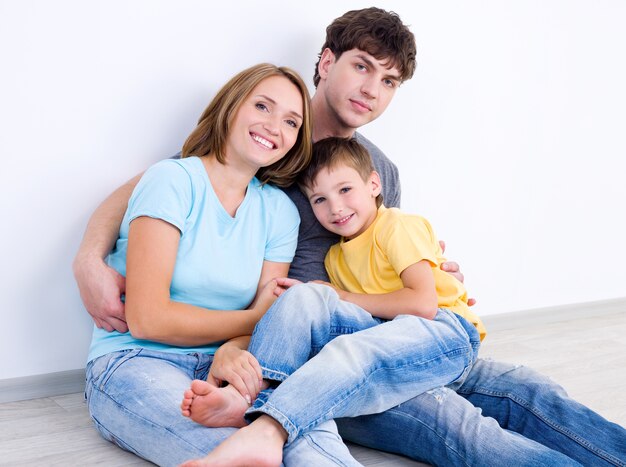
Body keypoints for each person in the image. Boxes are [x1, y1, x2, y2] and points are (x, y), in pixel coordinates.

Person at [75, 7, 626, 467]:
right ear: (326, 61)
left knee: (530, 392)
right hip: (307, 356)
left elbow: (382, 254)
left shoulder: (378, 169)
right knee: (464, 430)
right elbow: (149, 189)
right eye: (362, 67)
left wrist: (427, 274)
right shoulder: (262, 145)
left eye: (388, 82)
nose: (372, 90)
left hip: (375, 337)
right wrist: (89, 258)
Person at [82, 63, 365, 467]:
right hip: (139, 358)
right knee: (234, 458)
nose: (274, 126)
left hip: (234, 366)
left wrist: (234, 349)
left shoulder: (280, 212)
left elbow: (268, 322)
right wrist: (251, 320)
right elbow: (148, 319)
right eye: (263, 106)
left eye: (290, 121)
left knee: (314, 450)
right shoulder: (172, 180)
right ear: (231, 108)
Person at [179, 135, 488, 464]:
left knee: (354, 350)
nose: (335, 207)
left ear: (373, 183)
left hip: (447, 330)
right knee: (302, 296)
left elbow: (423, 304)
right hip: (388, 330)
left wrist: (339, 295)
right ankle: (247, 394)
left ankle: (267, 427)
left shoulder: (397, 225)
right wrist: (303, 299)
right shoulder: (335, 259)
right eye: (319, 200)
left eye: (344, 190)